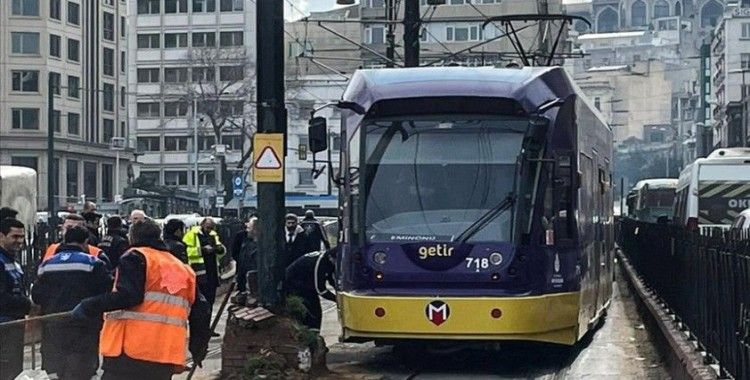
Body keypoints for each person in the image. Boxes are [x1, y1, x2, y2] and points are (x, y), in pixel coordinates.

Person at [73, 219, 211, 380]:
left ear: (132, 238)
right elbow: (201, 310)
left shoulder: (136, 257)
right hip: (164, 354)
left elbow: (129, 296)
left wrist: (89, 306)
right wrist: (198, 348)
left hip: (130, 351)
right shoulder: (182, 269)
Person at [32, 226, 113, 380]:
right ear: (85, 242)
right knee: (82, 368)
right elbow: (106, 290)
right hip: (84, 323)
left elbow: (37, 294)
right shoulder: (92, 262)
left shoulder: (47, 264)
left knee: (59, 367)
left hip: (54, 323)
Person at [0, 218, 31, 380]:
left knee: (13, 369)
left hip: (13, 324)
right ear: (1, 236)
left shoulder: (11, 259)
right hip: (4, 325)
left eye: (21, 237)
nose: (19, 241)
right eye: (14, 237)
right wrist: (27, 304)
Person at [284, 246, 337, 330]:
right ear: (332, 258)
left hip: (305, 283)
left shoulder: (329, 261)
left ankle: (313, 330)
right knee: (312, 311)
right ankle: (311, 333)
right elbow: (320, 289)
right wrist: (336, 299)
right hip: (295, 284)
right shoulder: (321, 263)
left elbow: (331, 279)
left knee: (315, 310)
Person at [183, 218, 226, 315]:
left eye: (211, 228)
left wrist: (219, 249)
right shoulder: (191, 235)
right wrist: (202, 250)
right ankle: (201, 327)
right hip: (198, 275)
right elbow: (186, 251)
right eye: (208, 227)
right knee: (200, 304)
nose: (209, 230)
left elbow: (221, 251)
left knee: (210, 302)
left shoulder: (213, 235)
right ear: (202, 225)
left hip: (212, 274)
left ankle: (208, 326)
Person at [43, 214, 109, 265]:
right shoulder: (52, 249)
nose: (72, 231)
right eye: (69, 227)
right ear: (62, 228)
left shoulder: (96, 253)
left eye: (77, 228)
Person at [231, 217, 258, 293]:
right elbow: (236, 254)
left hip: (252, 275)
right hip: (242, 274)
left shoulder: (258, 244)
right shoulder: (244, 240)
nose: (247, 229)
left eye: (249, 228)